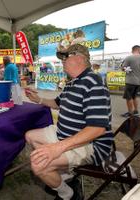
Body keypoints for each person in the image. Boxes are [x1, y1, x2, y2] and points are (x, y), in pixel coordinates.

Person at [24, 44, 113, 200]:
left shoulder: (93, 82)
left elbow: (97, 129)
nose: (62, 61)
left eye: (65, 57)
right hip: (66, 135)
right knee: (30, 135)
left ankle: (68, 194)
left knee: (38, 165)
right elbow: (57, 104)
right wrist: (37, 99)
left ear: (79, 58)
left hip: (92, 145)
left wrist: (57, 148)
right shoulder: (73, 82)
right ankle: (63, 174)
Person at [121, 45, 140, 117]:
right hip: (139, 81)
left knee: (128, 97)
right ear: (139, 50)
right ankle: (136, 111)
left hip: (130, 81)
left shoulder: (129, 58)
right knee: (134, 97)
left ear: (132, 50)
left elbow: (123, 68)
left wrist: (127, 69)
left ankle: (131, 113)